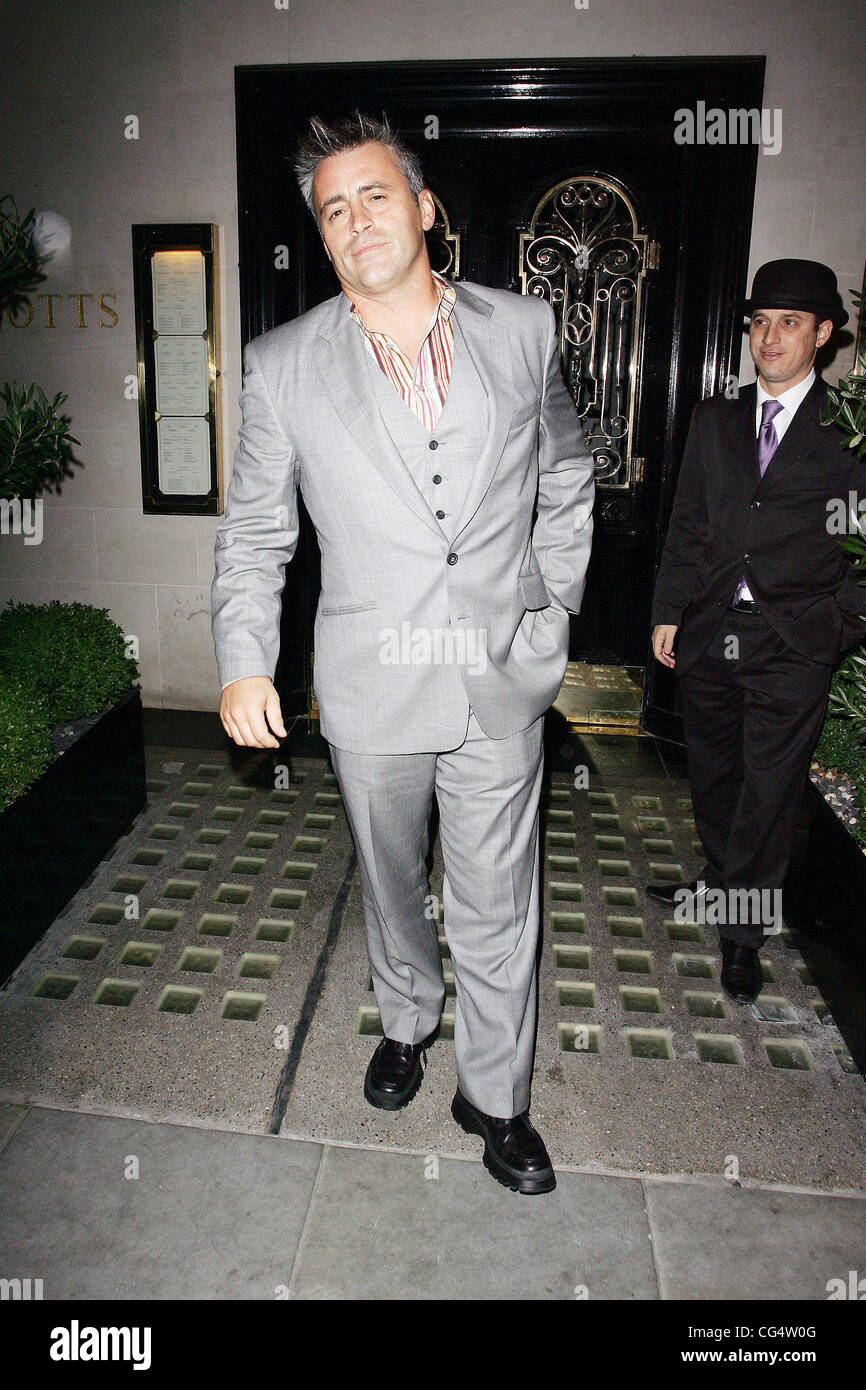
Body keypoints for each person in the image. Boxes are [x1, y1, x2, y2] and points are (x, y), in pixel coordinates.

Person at [211, 111, 595, 1193]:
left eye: (373, 195)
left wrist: (548, 601)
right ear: (322, 238)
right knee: (390, 887)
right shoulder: (281, 366)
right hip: (371, 683)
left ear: (424, 210)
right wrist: (244, 657)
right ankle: (407, 1022)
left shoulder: (523, 331)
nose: (353, 219)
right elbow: (253, 532)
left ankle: (496, 1096)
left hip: (497, 679)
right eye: (332, 209)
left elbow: (566, 472)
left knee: (495, 897)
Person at [647, 259, 865, 1003]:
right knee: (713, 775)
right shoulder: (716, 420)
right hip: (712, 632)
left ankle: (743, 934)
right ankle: (718, 880)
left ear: (823, 334)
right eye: (760, 322)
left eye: (790, 323)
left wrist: (836, 628)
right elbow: (688, 525)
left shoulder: (846, 436)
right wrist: (669, 609)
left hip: (793, 643)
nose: (770, 338)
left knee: (769, 795)